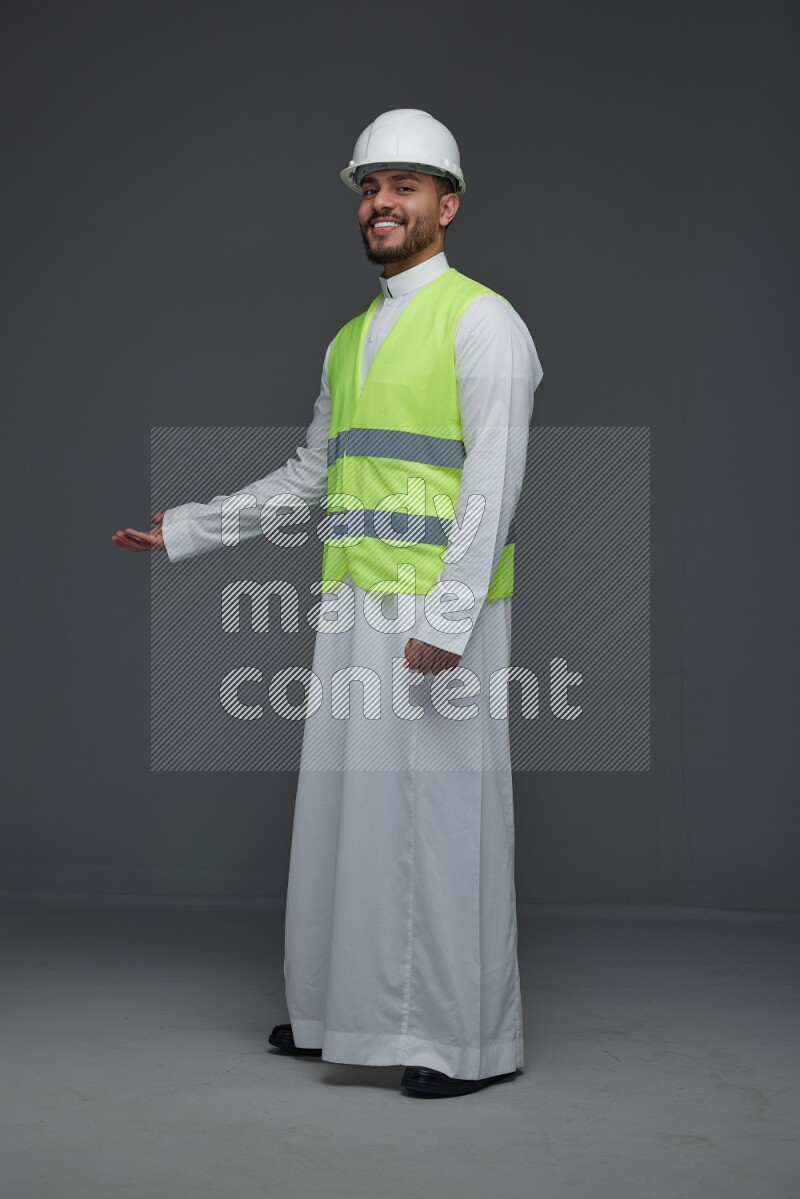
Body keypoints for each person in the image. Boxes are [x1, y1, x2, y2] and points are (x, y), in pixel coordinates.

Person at [112, 108, 543, 1098]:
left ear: (447, 204)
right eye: (370, 187)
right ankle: (335, 1016)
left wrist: (449, 618)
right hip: (352, 609)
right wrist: (193, 526)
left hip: (435, 619)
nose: (381, 202)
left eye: (404, 186)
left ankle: (462, 1042)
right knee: (343, 818)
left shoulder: (483, 321)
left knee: (440, 825)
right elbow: (313, 475)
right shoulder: (350, 340)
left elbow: (494, 479)